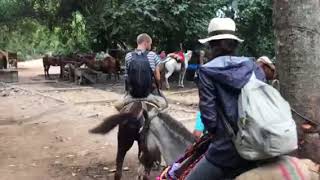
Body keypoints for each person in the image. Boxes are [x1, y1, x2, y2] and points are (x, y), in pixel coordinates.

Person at [185, 18, 266, 180]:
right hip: (260, 146)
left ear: (212, 45)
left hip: (226, 152)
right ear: (235, 44)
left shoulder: (206, 72)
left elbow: (210, 120)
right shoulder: (254, 67)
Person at [115, 33, 167, 111]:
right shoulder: (153, 55)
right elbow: (158, 77)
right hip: (148, 94)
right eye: (150, 44)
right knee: (165, 104)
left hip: (132, 94)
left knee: (118, 107)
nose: (150, 46)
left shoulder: (128, 56)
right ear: (145, 42)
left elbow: (127, 76)